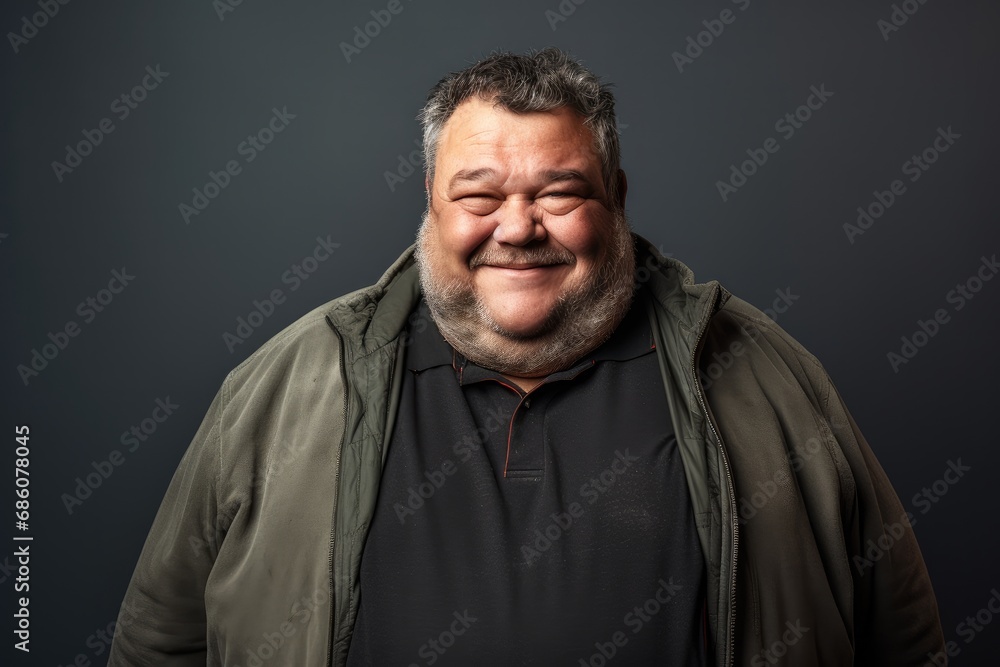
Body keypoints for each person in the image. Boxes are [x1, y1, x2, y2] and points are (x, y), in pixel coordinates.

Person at [108, 47, 945, 666]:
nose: (517, 227)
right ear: (431, 206)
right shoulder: (285, 384)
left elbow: (900, 631)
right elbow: (160, 640)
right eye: (478, 195)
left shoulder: (765, 376)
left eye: (558, 192)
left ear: (615, 199)